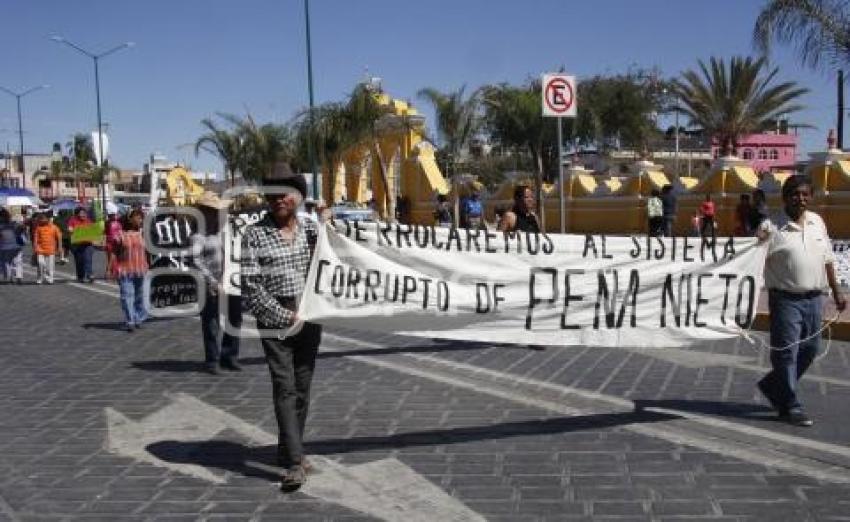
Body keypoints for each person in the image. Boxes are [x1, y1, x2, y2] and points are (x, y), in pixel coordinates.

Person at [241, 162, 321, 491]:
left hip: (311, 315)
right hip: (276, 319)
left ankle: (288, 447)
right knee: (284, 387)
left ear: (298, 196)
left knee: (302, 388)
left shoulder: (314, 231)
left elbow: (337, 263)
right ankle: (294, 462)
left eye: (284, 193)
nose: (278, 200)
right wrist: (285, 315)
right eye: (271, 195)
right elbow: (252, 286)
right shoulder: (254, 234)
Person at [756, 174, 847, 427]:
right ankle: (790, 405)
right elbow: (751, 259)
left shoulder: (817, 222)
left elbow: (828, 258)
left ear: (811, 197)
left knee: (810, 349)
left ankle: (774, 386)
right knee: (787, 354)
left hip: (814, 299)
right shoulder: (770, 227)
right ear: (785, 198)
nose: (801, 198)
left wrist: (837, 290)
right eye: (795, 194)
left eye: (805, 194)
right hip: (785, 300)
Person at [192, 192, 242, 375]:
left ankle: (230, 356)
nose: (218, 214)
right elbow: (196, 261)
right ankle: (212, 360)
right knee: (212, 323)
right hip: (211, 286)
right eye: (215, 211)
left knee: (235, 319)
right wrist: (213, 282)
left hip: (231, 282)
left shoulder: (224, 230)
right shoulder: (199, 236)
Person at [113, 209, 149, 332]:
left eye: (141, 218)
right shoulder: (120, 236)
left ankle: (138, 318)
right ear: (130, 219)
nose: (140, 220)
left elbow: (148, 251)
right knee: (127, 296)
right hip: (125, 270)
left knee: (141, 297)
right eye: (138, 217)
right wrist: (110, 268)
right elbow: (114, 252)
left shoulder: (143, 234)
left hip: (141, 269)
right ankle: (130, 321)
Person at [32, 212, 64, 284]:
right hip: (40, 249)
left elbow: (59, 237)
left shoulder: (54, 227)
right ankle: (40, 277)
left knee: (50, 266)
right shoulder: (38, 227)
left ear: (48, 219)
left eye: (43, 219)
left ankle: (50, 278)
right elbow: (35, 239)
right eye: (40, 219)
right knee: (41, 263)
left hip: (51, 249)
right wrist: (35, 248)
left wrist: (60, 248)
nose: (41, 220)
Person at [67, 207, 95, 283]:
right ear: (78, 214)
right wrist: (73, 230)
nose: (83, 215)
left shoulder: (88, 221)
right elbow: (69, 229)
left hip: (88, 244)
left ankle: (89, 275)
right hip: (77, 244)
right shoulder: (73, 220)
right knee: (79, 261)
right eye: (81, 213)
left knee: (88, 259)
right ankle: (80, 276)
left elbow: (94, 230)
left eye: (84, 213)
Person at [0, 208, 26, 284]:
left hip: (5, 247)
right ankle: (18, 277)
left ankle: (10, 277)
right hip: (16, 246)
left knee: (7, 262)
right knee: (17, 262)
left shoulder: (5, 225)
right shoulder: (14, 224)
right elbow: (22, 230)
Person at [104, 203, 123, 279]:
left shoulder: (118, 223)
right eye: (114, 215)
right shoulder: (107, 223)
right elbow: (105, 232)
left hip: (117, 242)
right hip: (110, 242)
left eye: (116, 214)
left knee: (116, 258)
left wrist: (121, 238)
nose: (116, 216)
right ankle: (109, 272)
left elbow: (121, 232)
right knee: (111, 258)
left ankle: (114, 272)